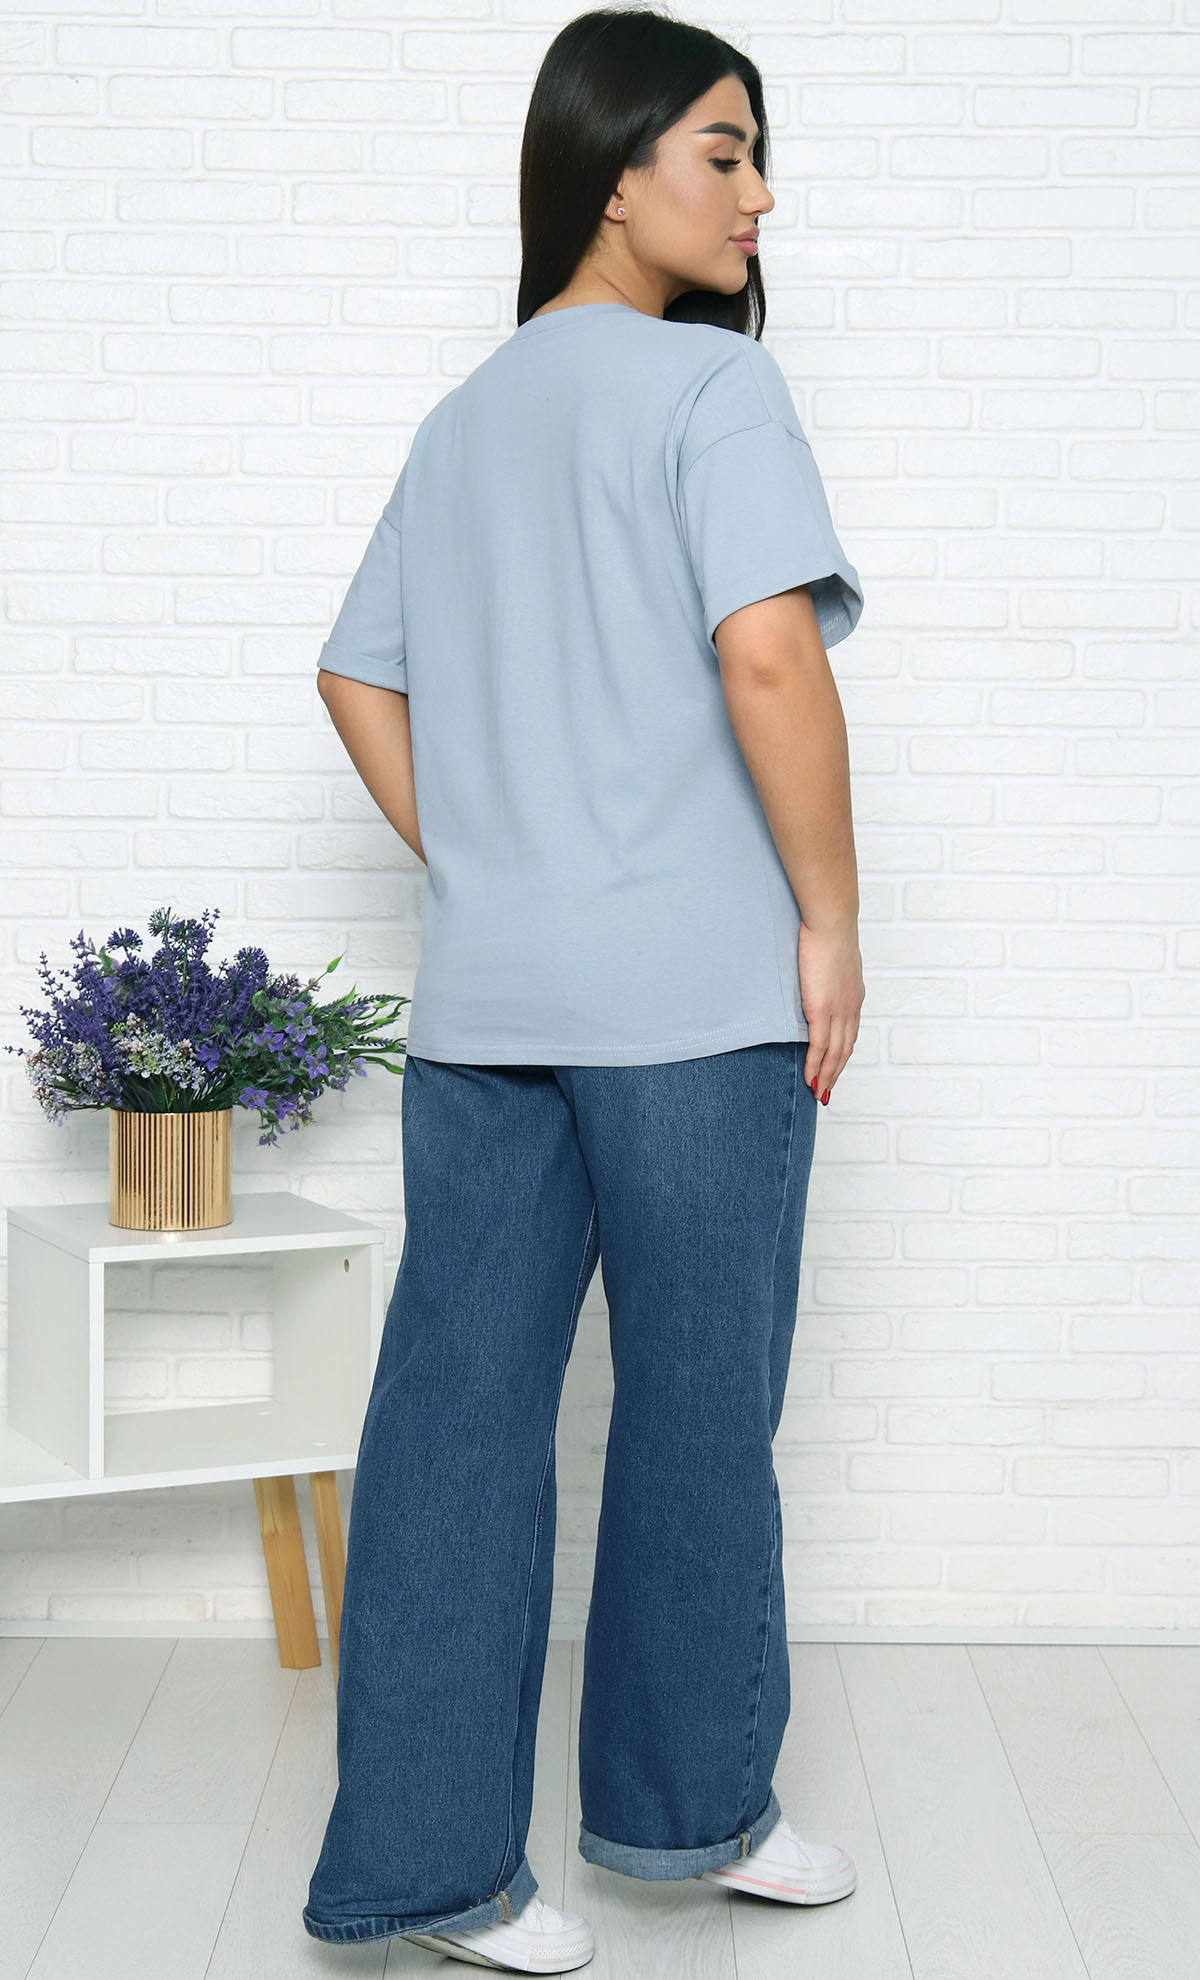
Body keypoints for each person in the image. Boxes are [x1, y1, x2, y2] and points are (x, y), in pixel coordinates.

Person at [301, 8, 866, 1973]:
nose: (758, 192)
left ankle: (429, 1872)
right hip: (693, 1007)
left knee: (454, 1424)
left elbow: (354, 674)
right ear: (612, 171)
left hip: (490, 1007)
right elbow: (770, 657)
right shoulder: (714, 387)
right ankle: (689, 1815)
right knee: (698, 1416)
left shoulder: (464, 418)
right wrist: (831, 919)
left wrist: (484, 857)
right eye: (725, 149)